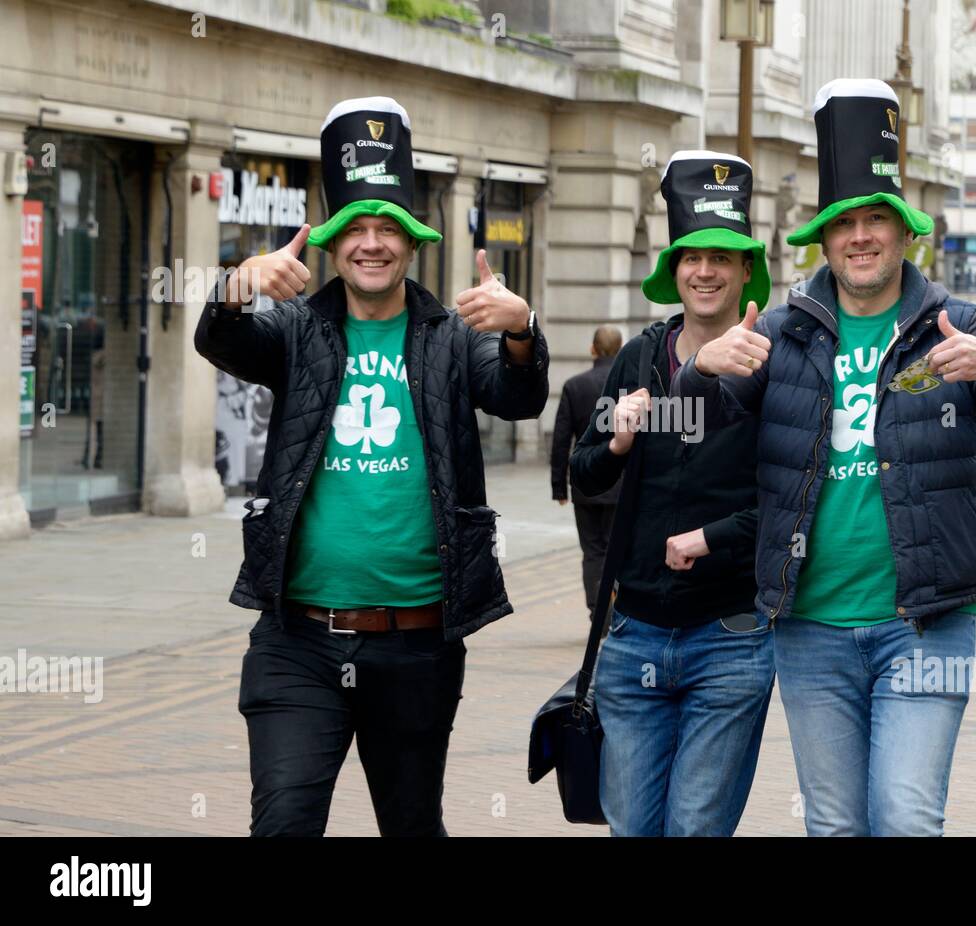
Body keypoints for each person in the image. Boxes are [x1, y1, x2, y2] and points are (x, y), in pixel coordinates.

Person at [673, 79, 976, 836]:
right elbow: (695, 443)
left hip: (927, 619)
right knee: (834, 822)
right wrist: (704, 371)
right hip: (810, 627)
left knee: (906, 816)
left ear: (904, 233)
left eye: (877, 221)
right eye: (844, 223)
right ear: (823, 240)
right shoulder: (782, 331)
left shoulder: (955, 324)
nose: (861, 236)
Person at [194, 97, 549, 837]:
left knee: (412, 826)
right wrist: (238, 284)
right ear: (331, 244)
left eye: (389, 227)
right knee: (285, 821)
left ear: (413, 243)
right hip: (298, 640)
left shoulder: (452, 335)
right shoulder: (296, 329)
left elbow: (515, 395)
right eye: (356, 228)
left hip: (417, 642)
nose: (372, 244)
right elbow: (223, 343)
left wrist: (521, 329)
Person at [569, 150, 774, 837]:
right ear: (674, 269)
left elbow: (792, 504)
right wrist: (618, 440)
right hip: (633, 636)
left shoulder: (779, 365)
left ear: (748, 270)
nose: (706, 270)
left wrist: (711, 540)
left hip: (733, 637)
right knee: (633, 829)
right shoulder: (637, 357)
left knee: (694, 829)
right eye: (692, 256)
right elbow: (585, 473)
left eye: (723, 256)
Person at [551, 325, 623, 628]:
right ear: (621, 350)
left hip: (585, 482)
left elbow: (561, 439)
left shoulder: (574, 386)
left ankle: (598, 612)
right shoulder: (631, 388)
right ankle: (616, 608)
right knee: (616, 549)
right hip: (621, 482)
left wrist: (559, 487)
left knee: (592, 551)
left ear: (592, 349)